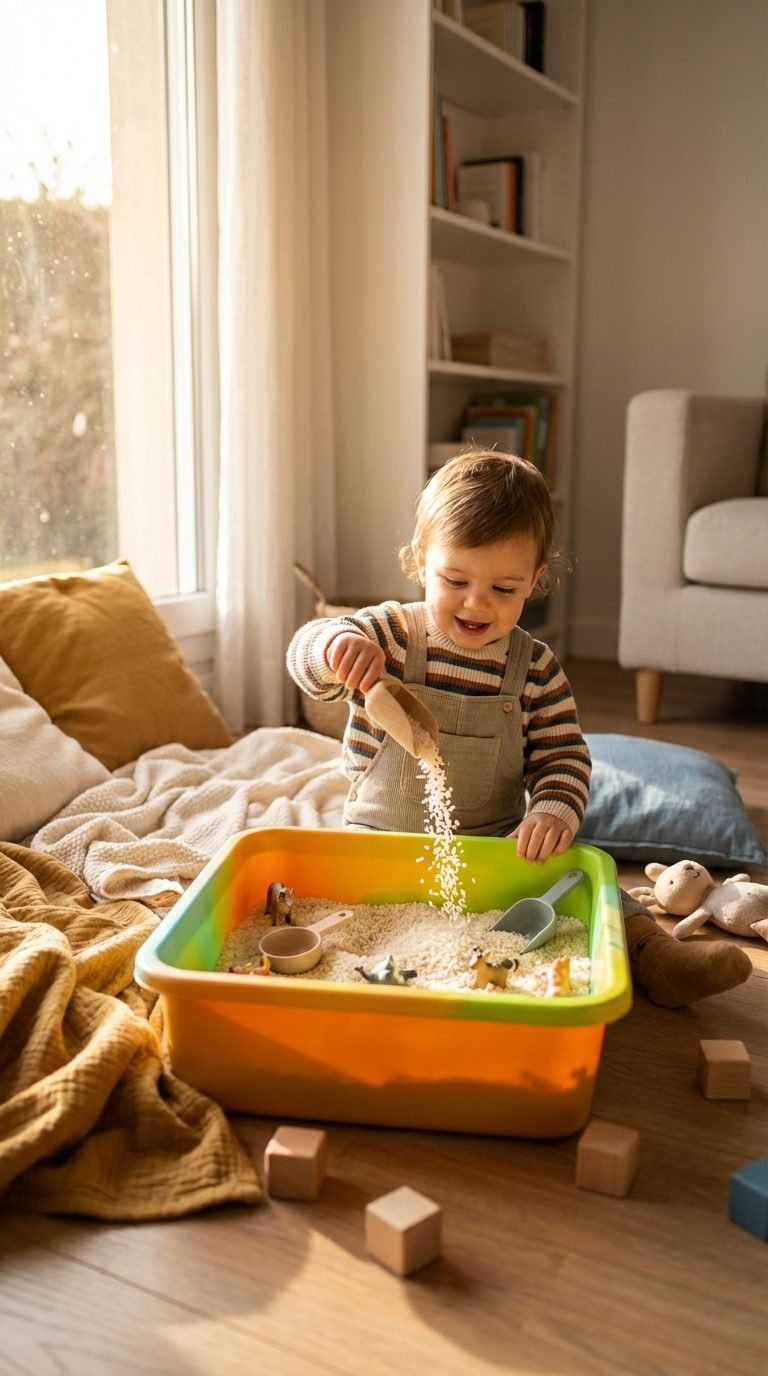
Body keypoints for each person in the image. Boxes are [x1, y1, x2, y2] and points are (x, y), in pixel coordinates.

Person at [287, 451, 751, 1007]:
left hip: (495, 850)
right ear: (418, 561)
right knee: (319, 893)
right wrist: (331, 647)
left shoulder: (534, 669)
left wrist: (553, 810)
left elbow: (564, 759)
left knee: (592, 884)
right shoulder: (385, 633)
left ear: (535, 580)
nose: (476, 603)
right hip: (380, 849)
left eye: (504, 589)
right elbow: (307, 665)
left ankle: (659, 958)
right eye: (454, 579)